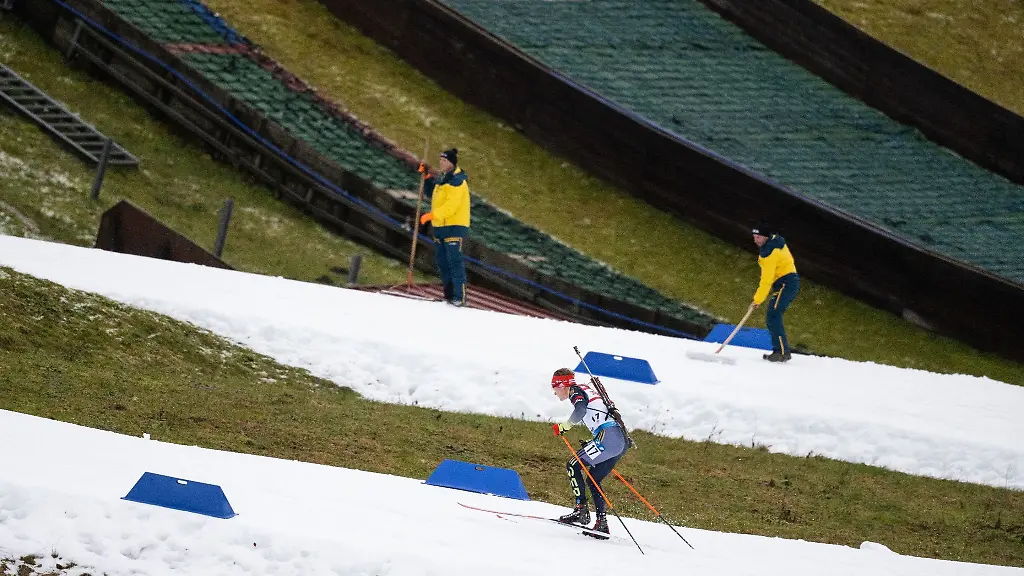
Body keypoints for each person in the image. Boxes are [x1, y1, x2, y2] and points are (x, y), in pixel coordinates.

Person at [550, 368, 627, 539]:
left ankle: (581, 511)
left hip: (608, 438)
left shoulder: (575, 391)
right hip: (619, 442)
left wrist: (565, 426)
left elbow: (580, 410)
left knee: (572, 465)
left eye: (554, 387)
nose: (554, 392)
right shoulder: (585, 389)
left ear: (563, 385)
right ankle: (602, 523)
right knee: (593, 479)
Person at [420, 148, 471, 306]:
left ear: (451, 163)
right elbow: (432, 195)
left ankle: (459, 297)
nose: (441, 163)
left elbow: (451, 207)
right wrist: (427, 177)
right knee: (442, 261)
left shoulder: (457, 181)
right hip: (440, 228)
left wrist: (432, 215)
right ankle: (449, 295)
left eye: (444, 161)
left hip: (454, 226)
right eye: (440, 160)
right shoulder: (443, 180)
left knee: (454, 261)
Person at [751, 221, 800, 362]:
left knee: (773, 315)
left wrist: (757, 300)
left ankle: (782, 352)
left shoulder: (769, 253)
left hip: (786, 284)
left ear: (766, 237)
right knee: (773, 315)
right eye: (754, 236)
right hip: (787, 282)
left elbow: (766, 279)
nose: (755, 240)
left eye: (758, 237)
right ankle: (780, 351)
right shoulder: (776, 242)